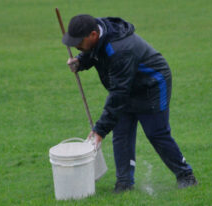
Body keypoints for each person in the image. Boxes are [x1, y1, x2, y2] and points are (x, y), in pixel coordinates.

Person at [62, 14, 198, 193]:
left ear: (94, 34)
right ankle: (124, 183)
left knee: (156, 133)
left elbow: (119, 94)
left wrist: (99, 131)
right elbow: (95, 53)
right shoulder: (99, 36)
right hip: (127, 83)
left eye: (78, 42)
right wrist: (81, 61)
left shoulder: (120, 50)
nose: (75, 45)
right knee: (121, 132)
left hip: (152, 84)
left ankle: (186, 176)